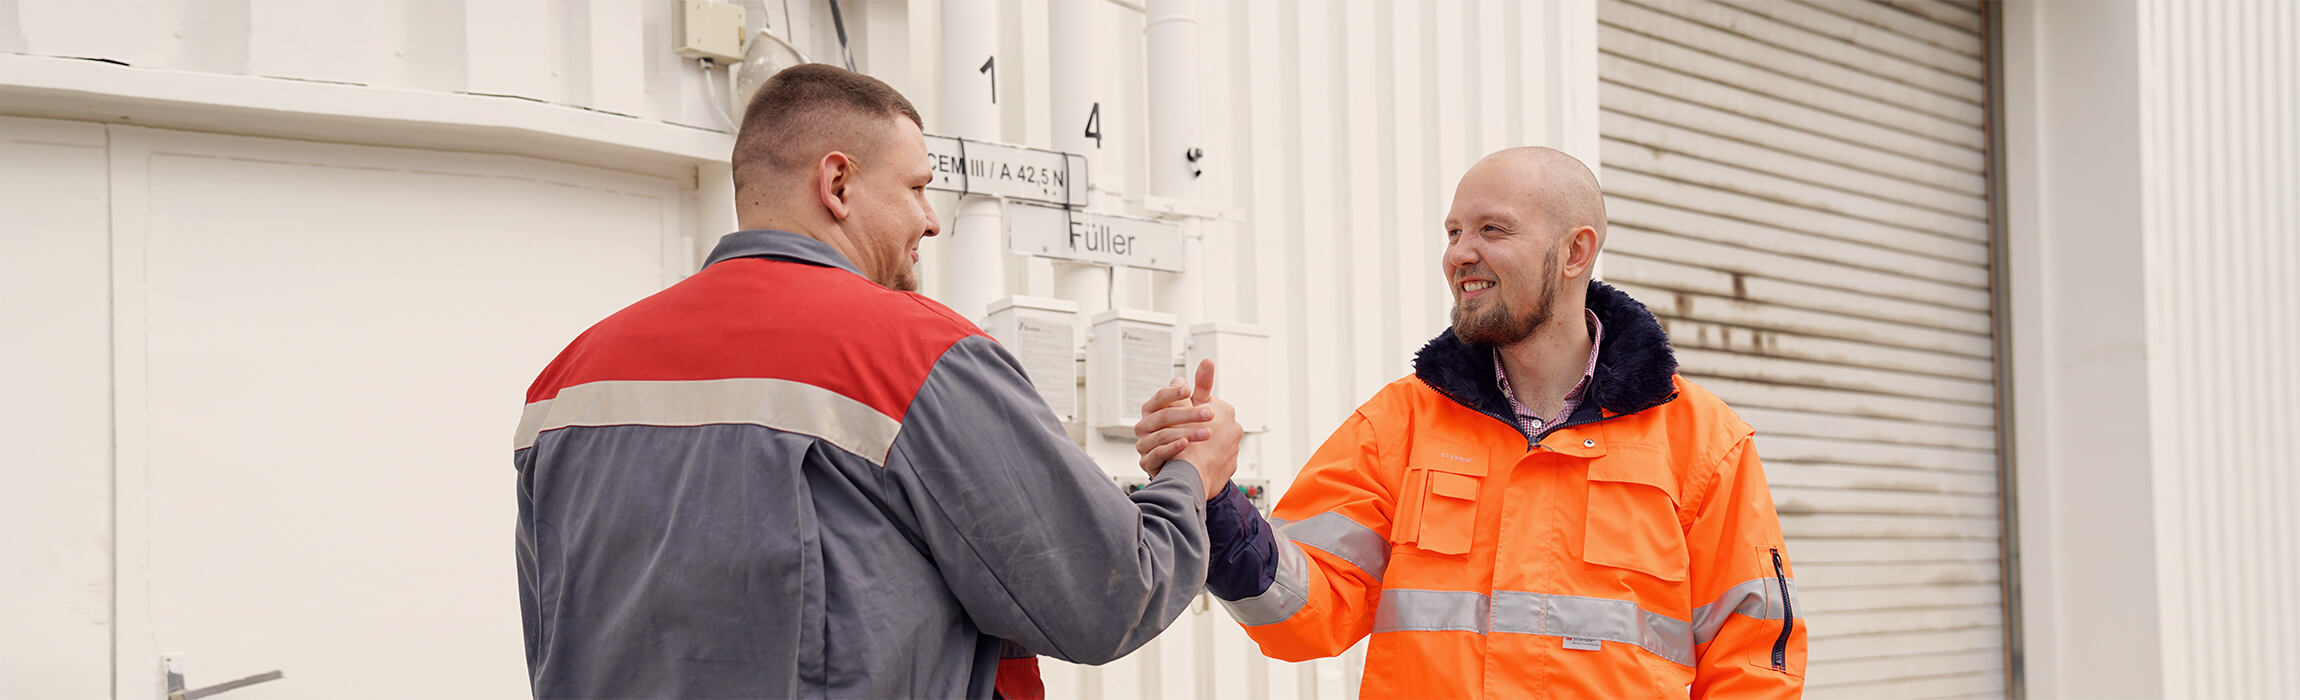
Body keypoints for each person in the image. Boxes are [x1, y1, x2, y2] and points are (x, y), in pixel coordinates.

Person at [511, 63, 1241, 699]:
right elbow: (1108, 595)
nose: (931, 221)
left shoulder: (567, 381)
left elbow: (554, 642)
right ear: (837, 182)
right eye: (919, 188)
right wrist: (1192, 479)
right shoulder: (913, 354)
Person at [1135, 147, 1806, 698]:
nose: (1459, 253)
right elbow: (1302, 615)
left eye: (1492, 229)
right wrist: (1216, 496)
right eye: (1453, 232)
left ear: (1576, 252)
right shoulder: (1399, 424)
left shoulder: (1703, 444)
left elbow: (1753, 665)